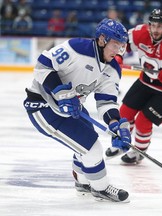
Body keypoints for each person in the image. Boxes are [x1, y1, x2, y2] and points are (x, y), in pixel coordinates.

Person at [23, 18, 131, 202]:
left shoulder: (112, 69)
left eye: (121, 46)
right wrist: (60, 92)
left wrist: (114, 123)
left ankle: (83, 182)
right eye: (115, 44)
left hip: (71, 108)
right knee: (92, 148)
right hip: (43, 106)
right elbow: (42, 65)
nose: (118, 51)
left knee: (85, 141)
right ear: (102, 39)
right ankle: (101, 188)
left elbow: (106, 102)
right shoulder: (76, 48)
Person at [105, 9, 162, 164]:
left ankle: (138, 152)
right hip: (146, 82)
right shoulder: (141, 32)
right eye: (152, 25)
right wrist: (118, 56)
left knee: (143, 121)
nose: (155, 30)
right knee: (124, 113)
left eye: (159, 26)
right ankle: (121, 143)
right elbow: (122, 41)